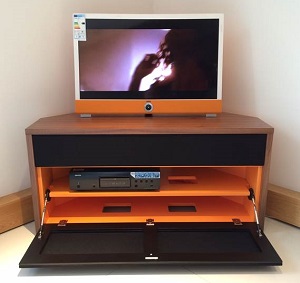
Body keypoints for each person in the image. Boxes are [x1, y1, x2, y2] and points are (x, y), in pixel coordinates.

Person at [128, 28, 218, 97]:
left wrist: (136, 78)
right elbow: (132, 109)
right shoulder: (160, 89)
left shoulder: (212, 85)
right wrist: (137, 77)